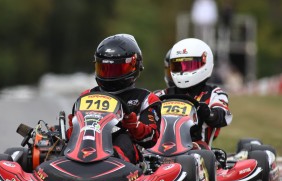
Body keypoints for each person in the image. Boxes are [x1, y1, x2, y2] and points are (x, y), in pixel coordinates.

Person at [66, 34, 162, 165]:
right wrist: (74, 127)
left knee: (123, 139)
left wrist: (135, 125)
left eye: (116, 69)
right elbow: (72, 135)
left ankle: (112, 164)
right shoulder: (87, 95)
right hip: (87, 145)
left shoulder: (145, 99)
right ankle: (60, 167)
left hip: (126, 156)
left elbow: (152, 139)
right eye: (104, 69)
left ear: (134, 66)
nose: (109, 75)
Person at [155, 38, 232, 150]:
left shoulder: (214, 94)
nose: (182, 71)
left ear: (205, 62)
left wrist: (209, 113)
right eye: (178, 66)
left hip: (197, 151)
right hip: (160, 150)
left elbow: (223, 117)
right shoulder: (160, 95)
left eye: (189, 65)